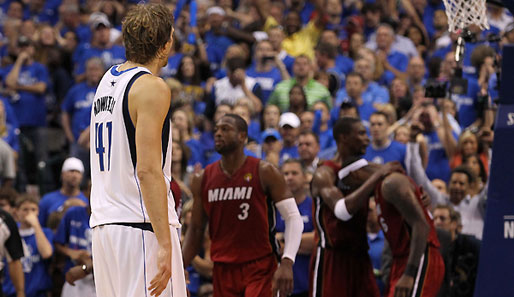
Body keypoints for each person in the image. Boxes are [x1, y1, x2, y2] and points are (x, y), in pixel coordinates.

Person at [88, 4, 186, 297]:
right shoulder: (152, 87)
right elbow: (146, 170)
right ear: (166, 43)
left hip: (105, 229)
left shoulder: (107, 80)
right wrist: (165, 243)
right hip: (140, 227)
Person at [182, 114, 304, 297]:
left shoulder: (265, 171)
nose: (218, 134)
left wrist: (287, 261)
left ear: (242, 136)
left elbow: (293, 217)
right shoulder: (203, 178)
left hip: (261, 266)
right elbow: (197, 228)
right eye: (216, 130)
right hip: (223, 268)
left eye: (225, 129)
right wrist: (180, 265)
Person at [329, 117, 445, 297]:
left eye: (349, 185)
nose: (353, 190)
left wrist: (409, 273)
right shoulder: (381, 187)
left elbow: (421, 225)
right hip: (402, 258)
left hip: (419, 257)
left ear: (356, 174)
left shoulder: (390, 183)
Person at [310, 117, 400, 297]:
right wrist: (376, 177)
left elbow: (396, 177)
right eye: (361, 133)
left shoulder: (363, 170)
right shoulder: (324, 173)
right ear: (343, 138)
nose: (367, 139)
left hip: (359, 254)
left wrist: (418, 194)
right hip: (332, 257)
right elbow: (341, 211)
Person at [276, 159, 314, 297]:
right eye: (285, 174)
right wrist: (301, 241)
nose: (289, 177)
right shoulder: (273, 209)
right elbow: (269, 244)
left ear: (305, 177)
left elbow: (317, 241)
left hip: (308, 285)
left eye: (294, 173)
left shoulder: (313, 206)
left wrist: (282, 239)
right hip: (278, 287)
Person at [38, 157, 88, 228]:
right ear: (62, 174)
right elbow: (41, 228)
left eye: (78, 172)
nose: (74, 175)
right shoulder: (47, 200)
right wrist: (65, 207)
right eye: (71, 171)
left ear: (82, 177)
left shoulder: (87, 201)